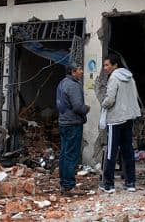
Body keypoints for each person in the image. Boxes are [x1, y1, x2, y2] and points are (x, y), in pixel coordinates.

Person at [99, 54, 142, 193]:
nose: (105, 68)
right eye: (104, 65)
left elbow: (110, 99)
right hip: (129, 118)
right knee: (128, 151)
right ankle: (130, 183)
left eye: (107, 65)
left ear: (115, 65)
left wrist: (103, 104)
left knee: (111, 151)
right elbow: (134, 96)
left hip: (115, 119)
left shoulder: (113, 77)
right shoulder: (130, 78)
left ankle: (108, 184)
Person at [56, 62, 90, 195]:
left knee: (64, 153)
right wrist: (86, 109)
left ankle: (64, 183)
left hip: (64, 122)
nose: (82, 72)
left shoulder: (62, 83)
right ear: (73, 72)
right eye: (80, 69)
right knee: (71, 155)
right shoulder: (73, 86)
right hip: (73, 123)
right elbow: (77, 107)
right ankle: (69, 186)